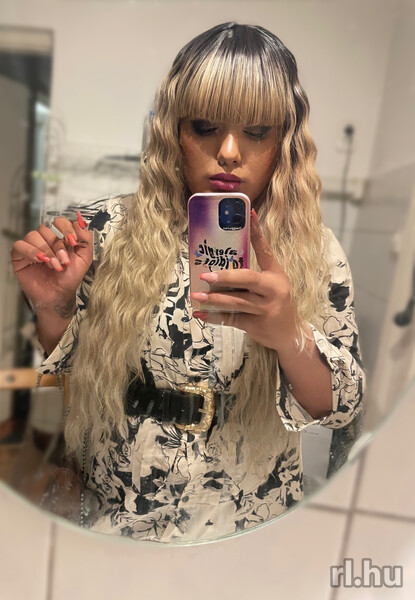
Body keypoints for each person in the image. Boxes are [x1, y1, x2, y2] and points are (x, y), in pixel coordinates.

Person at [11, 22, 365, 542]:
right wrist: (53, 307)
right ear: (174, 130)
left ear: (283, 141)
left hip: (250, 522)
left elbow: (341, 407)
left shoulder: (317, 252)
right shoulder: (107, 230)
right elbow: (67, 361)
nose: (229, 151)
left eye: (256, 131)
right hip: (124, 510)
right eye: (205, 126)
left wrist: (289, 335)